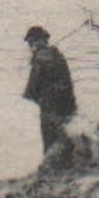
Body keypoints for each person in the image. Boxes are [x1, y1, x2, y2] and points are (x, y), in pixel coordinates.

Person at [23, 25, 76, 162]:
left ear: (37, 41)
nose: (30, 46)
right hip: (68, 104)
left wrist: (34, 98)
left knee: (50, 145)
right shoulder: (57, 54)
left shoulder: (39, 59)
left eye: (31, 42)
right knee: (66, 140)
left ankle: (52, 173)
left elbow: (30, 91)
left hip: (50, 107)